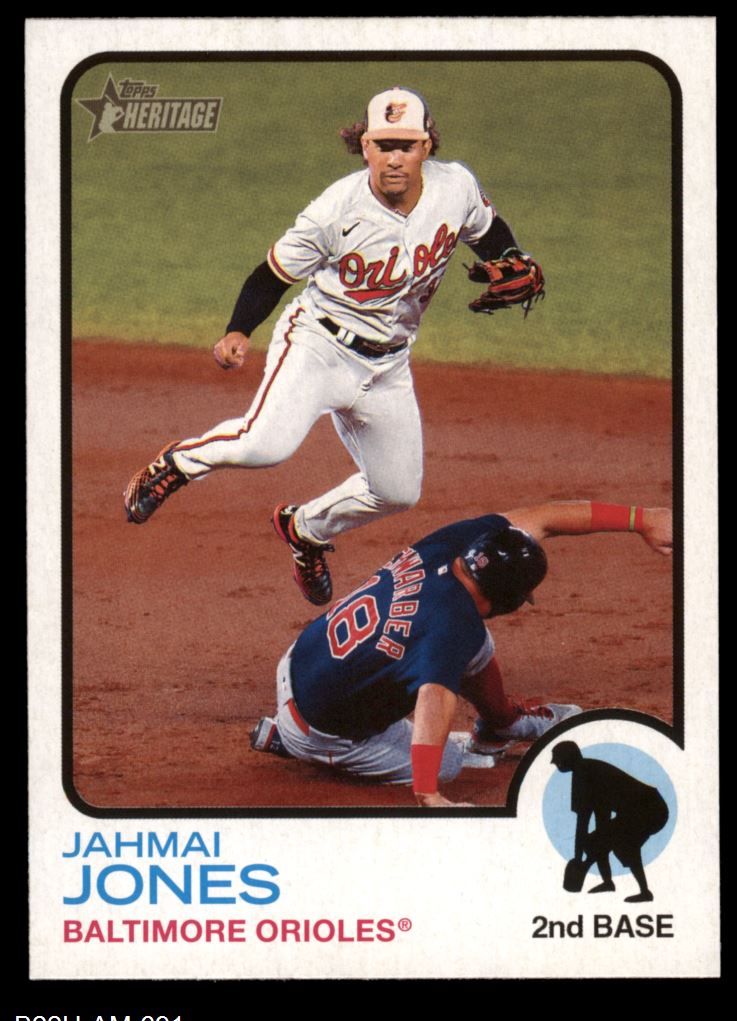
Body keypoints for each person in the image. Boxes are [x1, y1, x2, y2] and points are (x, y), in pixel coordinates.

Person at [124, 86, 534, 606]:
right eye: (383, 145)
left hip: (389, 365)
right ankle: (176, 464)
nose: (394, 158)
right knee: (263, 445)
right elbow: (271, 275)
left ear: (427, 146)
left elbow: (488, 230)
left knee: (397, 491)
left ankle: (306, 530)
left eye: (406, 145)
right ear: (364, 146)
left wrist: (513, 255)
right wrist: (238, 330)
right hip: (319, 345)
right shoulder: (335, 209)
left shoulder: (456, 187)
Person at [250, 500, 673, 807]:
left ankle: (503, 724)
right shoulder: (453, 627)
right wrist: (428, 793)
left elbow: (545, 518)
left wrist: (642, 519)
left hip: (299, 660)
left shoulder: (455, 543)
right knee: (449, 763)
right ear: (508, 597)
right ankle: (292, 742)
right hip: (319, 730)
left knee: (471, 646)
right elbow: (434, 700)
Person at [550, 740, 669, 902]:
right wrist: (583, 860)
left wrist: (579, 861)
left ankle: (645, 892)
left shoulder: (583, 774)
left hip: (650, 810)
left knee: (623, 844)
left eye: (557, 760)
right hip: (639, 811)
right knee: (598, 840)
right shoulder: (585, 770)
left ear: (568, 758)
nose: (555, 764)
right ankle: (607, 883)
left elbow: (582, 823)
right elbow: (600, 824)